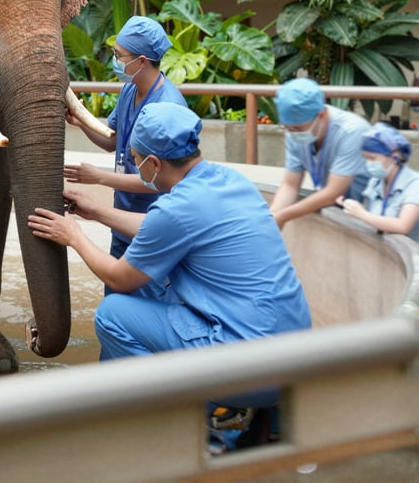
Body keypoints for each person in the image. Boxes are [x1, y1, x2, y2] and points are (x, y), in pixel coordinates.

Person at [30, 103, 311, 446]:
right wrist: (98, 212)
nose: (137, 167)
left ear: (154, 164)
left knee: (113, 314)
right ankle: (256, 413)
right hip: (296, 359)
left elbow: (120, 277)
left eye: (136, 160)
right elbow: (160, 228)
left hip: (248, 370)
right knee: (167, 297)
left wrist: (73, 236)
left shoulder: (176, 207)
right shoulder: (229, 181)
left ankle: (191, 418)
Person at [64, 15, 187, 259]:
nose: (115, 61)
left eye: (119, 56)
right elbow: (113, 142)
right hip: (122, 218)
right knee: (118, 291)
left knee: (145, 293)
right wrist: (81, 122)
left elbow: (160, 180)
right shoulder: (130, 90)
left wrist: (100, 178)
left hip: (153, 222)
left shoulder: (169, 107)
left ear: (141, 61)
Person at [270, 77, 370, 230]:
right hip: (346, 214)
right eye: (287, 128)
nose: (293, 134)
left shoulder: (351, 131)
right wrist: (271, 218)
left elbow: (332, 193)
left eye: (298, 129)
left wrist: (282, 216)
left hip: (380, 214)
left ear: (321, 115)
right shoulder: (293, 134)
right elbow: (290, 185)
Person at [336, 122, 419, 241]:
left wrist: (362, 214)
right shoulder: (375, 181)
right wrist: (350, 208)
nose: (368, 164)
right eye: (365, 158)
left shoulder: (415, 184)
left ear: (395, 155)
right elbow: (372, 220)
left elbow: (403, 226)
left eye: (373, 158)